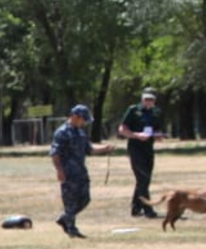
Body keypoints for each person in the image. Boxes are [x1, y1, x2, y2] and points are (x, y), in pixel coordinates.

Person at [49, 105, 113, 239]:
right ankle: (72, 229)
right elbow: (55, 154)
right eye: (83, 119)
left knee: (85, 199)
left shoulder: (81, 132)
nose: (84, 122)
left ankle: (65, 219)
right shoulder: (62, 132)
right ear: (74, 116)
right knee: (70, 202)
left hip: (81, 172)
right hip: (68, 173)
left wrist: (105, 148)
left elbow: (89, 149)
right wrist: (59, 171)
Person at [117, 89, 164, 218]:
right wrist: (136, 135)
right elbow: (122, 129)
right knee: (143, 178)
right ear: (142, 99)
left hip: (148, 148)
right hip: (135, 148)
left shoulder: (156, 112)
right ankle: (148, 209)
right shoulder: (133, 110)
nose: (148, 102)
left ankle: (135, 207)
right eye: (146, 99)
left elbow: (157, 129)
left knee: (143, 180)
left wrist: (158, 135)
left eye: (151, 100)